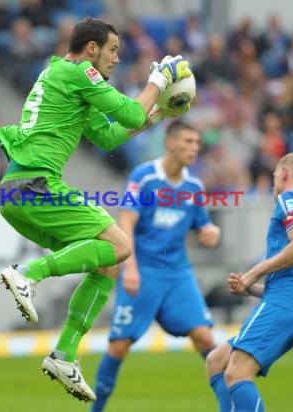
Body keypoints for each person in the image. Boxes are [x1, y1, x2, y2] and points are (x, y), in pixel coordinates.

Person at [0, 17, 193, 402]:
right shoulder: (79, 71)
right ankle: (27, 274)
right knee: (120, 245)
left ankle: (65, 354)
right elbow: (130, 112)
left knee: (109, 261)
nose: (117, 59)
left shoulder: (64, 76)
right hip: (37, 185)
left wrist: (160, 114)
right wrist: (160, 80)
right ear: (92, 49)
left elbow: (109, 135)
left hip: (17, 192)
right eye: (113, 50)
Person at [91, 120, 221, 411]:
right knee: (119, 346)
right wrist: (131, 268)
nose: (194, 148)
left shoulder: (194, 186)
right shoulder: (144, 177)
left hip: (177, 274)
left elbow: (203, 226)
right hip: (144, 271)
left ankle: (232, 405)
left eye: (197, 143)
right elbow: (126, 221)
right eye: (188, 142)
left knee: (205, 338)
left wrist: (211, 232)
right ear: (170, 143)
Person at [205, 152, 293, 412]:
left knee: (237, 373)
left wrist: (254, 272)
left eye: (274, 177)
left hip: (286, 302)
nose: (274, 183)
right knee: (217, 362)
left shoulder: (290, 198)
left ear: (284, 173)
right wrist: (252, 289)